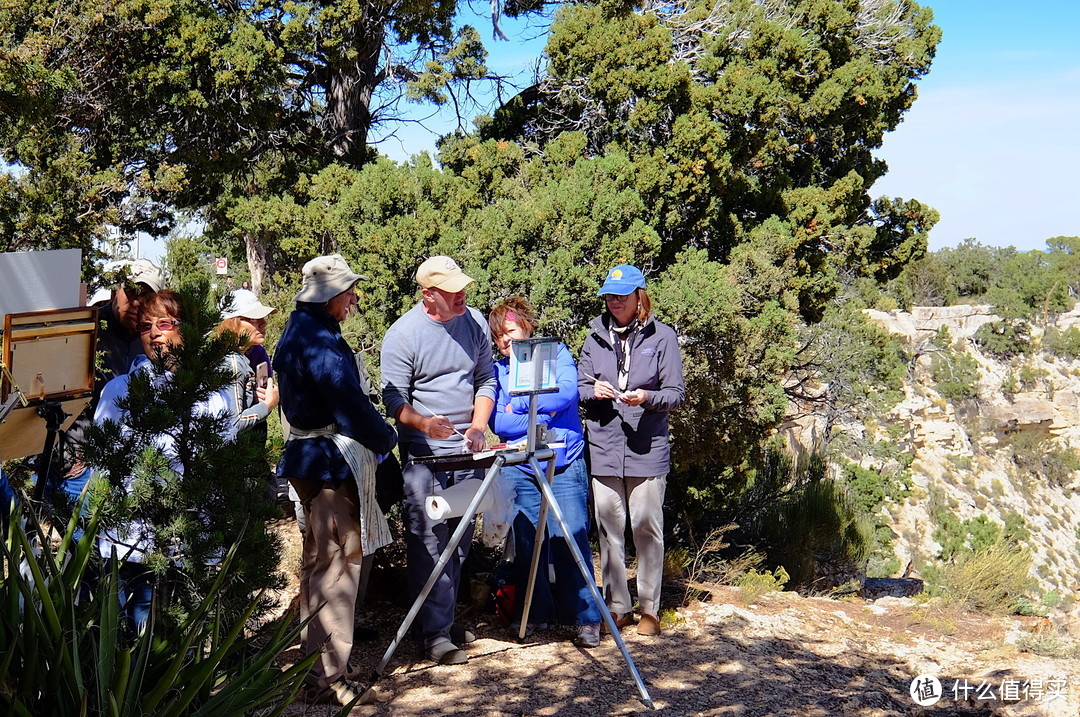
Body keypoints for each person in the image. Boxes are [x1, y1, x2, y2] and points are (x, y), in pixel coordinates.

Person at [274, 255, 397, 707]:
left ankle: (318, 670)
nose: (354, 299)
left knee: (319, 568)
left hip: (310, 459)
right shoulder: (320, 341)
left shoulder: (299, 331)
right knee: (336, 572)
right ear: (330, 297)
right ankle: (328, 679)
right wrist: (387, 435)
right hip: (328, 464)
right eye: (349, 292)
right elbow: (349, 406)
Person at [94, 289, 233, 637]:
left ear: (187, 330)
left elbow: (220, 471)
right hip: (133, 542)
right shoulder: (119, 391)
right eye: (145, 326)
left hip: (189, 540)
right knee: (135, 639)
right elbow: (105, 466)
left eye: (165, 323)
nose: (154, 333)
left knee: (185, 637)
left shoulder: (212, 396)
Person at [381, 255, 496, 666]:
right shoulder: (403, 334)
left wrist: (479, 426)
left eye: (462, 286)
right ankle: (433, 636)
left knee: (461, 542)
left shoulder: (476, 321)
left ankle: (441, 622)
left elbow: (486, 379)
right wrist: (425, 425)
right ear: (429, 295)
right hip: (424, 457)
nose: (461, 294)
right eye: (451, 291)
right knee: (430, 544)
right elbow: (392, 399)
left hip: (469, 451)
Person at [487, 297, 602, 648]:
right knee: (525, 543)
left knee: (570, 537)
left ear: (526, 327)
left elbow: (565, 394)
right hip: (520, 465)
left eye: (511, 331)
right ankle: (533, 615)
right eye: (499, 336)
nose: (506, 340)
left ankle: (585, 619)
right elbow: (499, 422)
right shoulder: (496, 372)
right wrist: (535, 413)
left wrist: (520, 403)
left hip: (562, 462)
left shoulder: (558, 354)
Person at [578, 264, 685, 637]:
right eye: (609, 296)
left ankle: (650, 608)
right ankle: (617, 607)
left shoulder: (663, 337)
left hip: (647, 448)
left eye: (621, 296)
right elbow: (579, 386)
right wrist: (595, 391)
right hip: (605, 445)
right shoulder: (593, 337)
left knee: (646, 526)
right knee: (609, 530)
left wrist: (647, 398)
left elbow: (676, 394)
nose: (614, 302)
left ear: (640, 296)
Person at [49, 259, 166, 510]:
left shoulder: (154, 342)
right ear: (116, 291)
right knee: (83, 547)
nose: (136, 303)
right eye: (131, 293)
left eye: (146, 297)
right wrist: (69, 461)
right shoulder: (84, 330)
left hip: (133, 470)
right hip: (79, 467)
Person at [214, 289, 279, 437]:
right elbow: (234, 423)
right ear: (232, 323)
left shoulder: (254, 353)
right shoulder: (231, 362)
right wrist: (267, 405)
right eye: (254, 319)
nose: (264, 323)